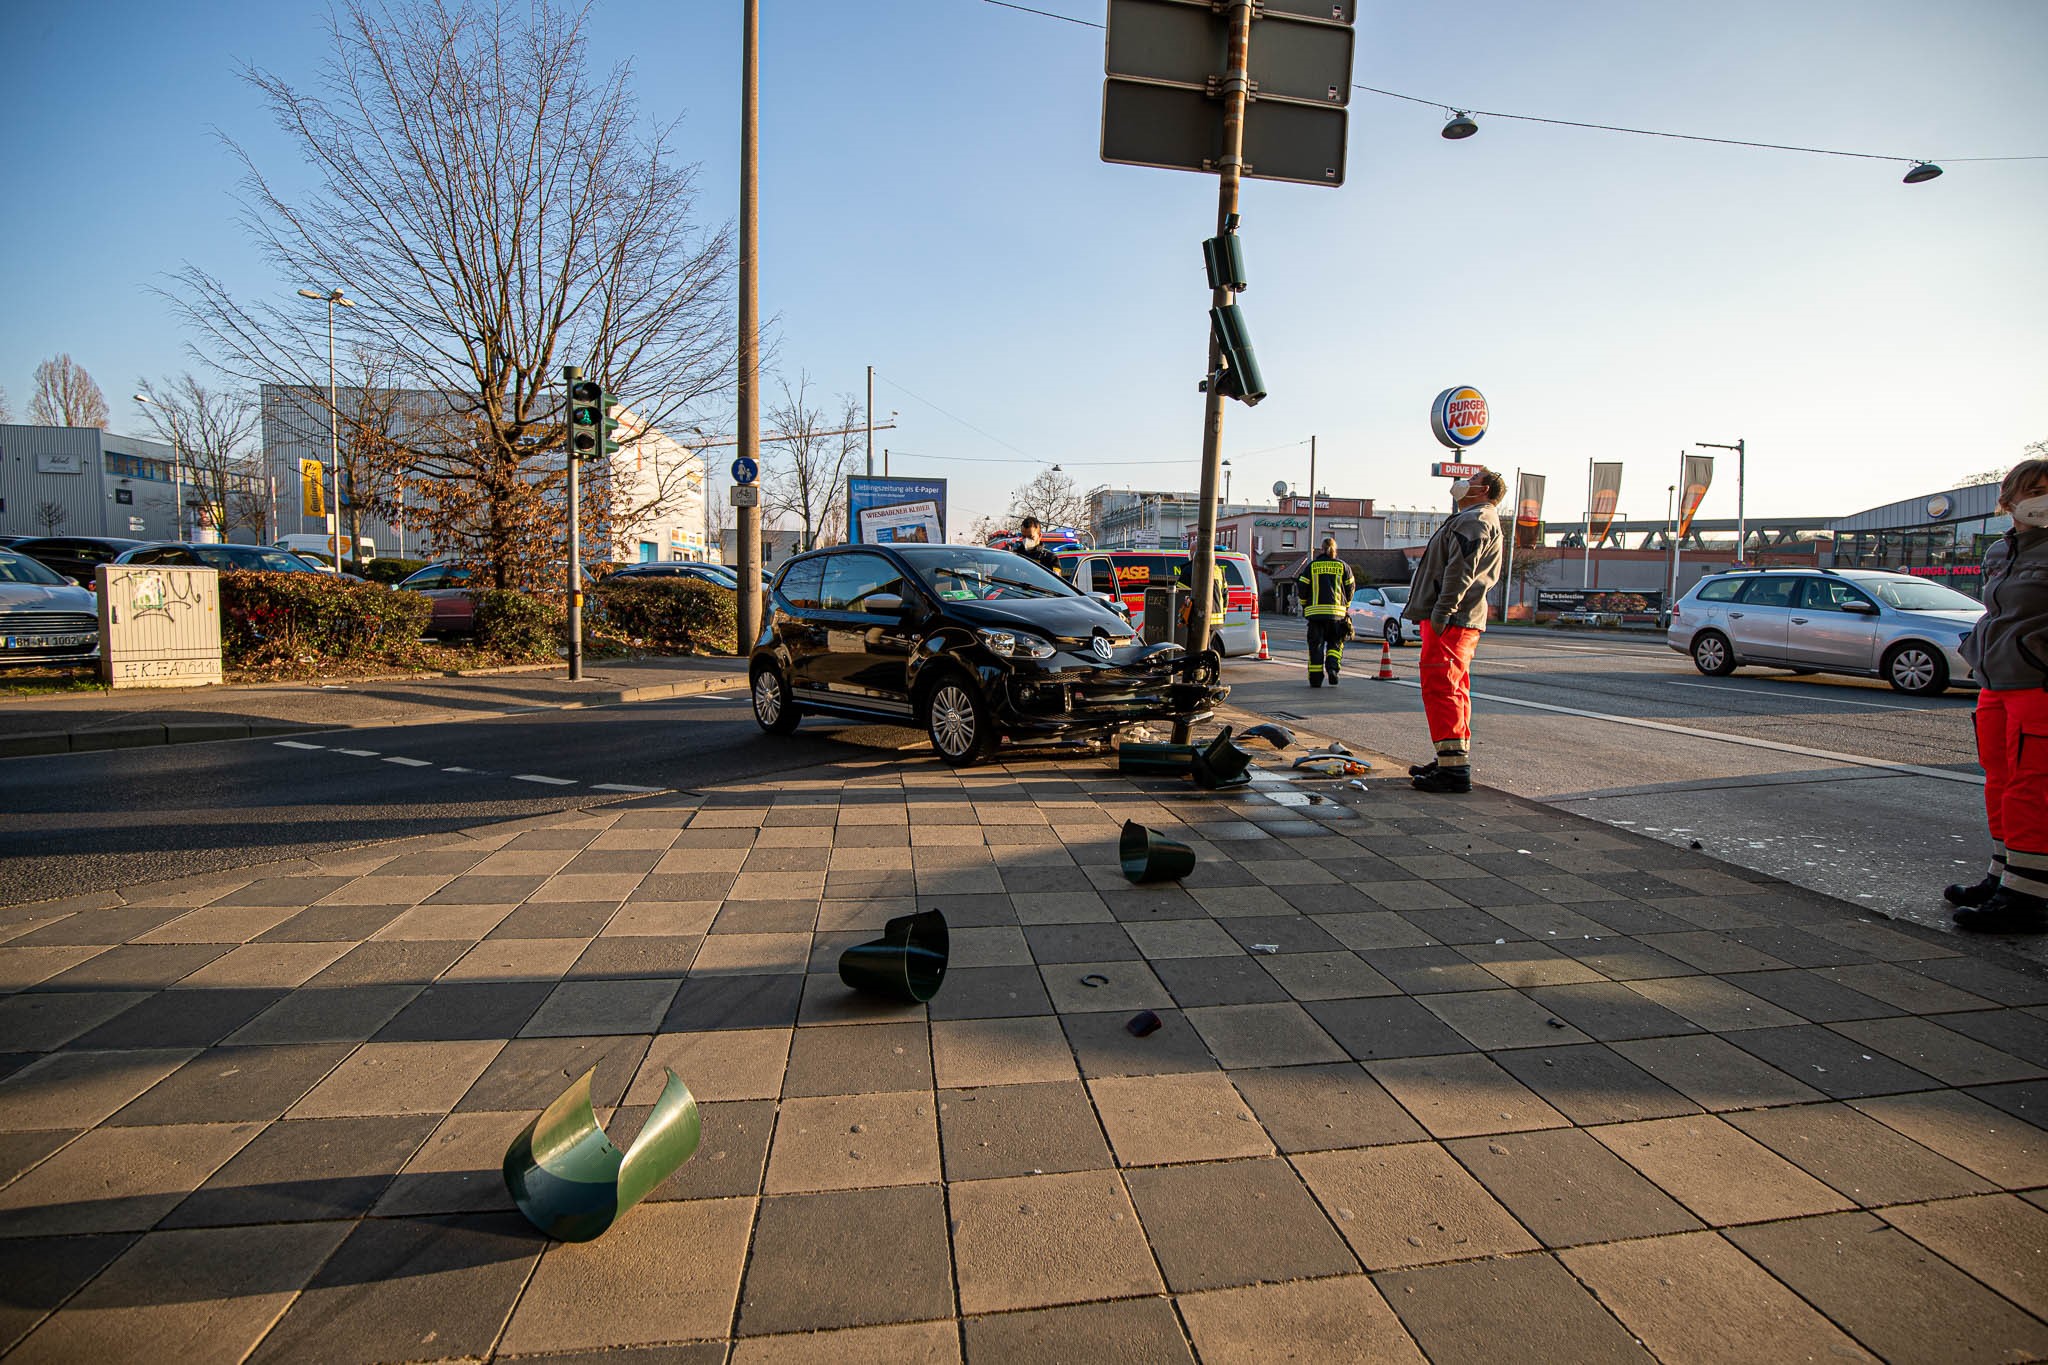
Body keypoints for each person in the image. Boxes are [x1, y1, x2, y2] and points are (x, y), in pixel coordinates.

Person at [1951, 458, 2048, 933]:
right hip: (1997, 682)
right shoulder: (2000, 550)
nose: (2042, 498)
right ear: (2010, 498)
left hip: (2039, 685)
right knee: (2000, 780)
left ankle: (2029, 897)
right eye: (2035, 489)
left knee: (2033, 787)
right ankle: (2005, 875)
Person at [1403, 469, 1507, 793]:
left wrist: (1442, 611)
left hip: (1451, 619)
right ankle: (1452, 759)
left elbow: (1460, 569)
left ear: (1484, 489)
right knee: (1455, 687)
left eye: (1473, 479)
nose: (1466, 482)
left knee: (1442, 686)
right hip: (1458, 619)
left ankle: (1453, 771)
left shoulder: (1475, 519)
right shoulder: (1475, 518)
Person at [1295, 537, 1355, 687]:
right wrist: (1346, 607)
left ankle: (1316, 679)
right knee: (1335, 644)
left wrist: (1304, 605)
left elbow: (1302, 588)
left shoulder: (1312, 566)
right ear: (1335, 550)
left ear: (1321, 550)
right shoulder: (1344, 567)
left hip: (1315, 616)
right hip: (1337, 615)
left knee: (1316, 647)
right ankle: (1333, 669)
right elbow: (1351, 588)